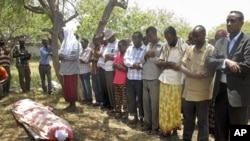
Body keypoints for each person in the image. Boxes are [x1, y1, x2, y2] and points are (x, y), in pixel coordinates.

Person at [205, 11, 250, 141]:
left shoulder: (247, 41)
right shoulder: (220, 42)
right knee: (220, 130)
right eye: (228, 20)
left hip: (239, 94)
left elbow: (247, 66)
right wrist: (227, 62)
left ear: (241, 23)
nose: (229, 23)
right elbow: (209, 62)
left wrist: (221, 65)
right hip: (220, 92)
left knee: (239, 131)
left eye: (233, 21)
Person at [180, 25, 214, 141]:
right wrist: (194, 74)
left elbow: (207, 73)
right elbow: (181, 66)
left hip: (202, 94)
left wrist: (188, 72)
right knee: (188, 120)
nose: (195, 38)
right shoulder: (190, 49)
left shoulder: (210, 50)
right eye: (193, 36)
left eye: (197, 36)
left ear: (204, 34)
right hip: (188, 92)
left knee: (202, 122)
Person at [158, 26, 188, 137]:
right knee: (164, 106)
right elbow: (159, 61)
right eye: (166, 38)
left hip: (176, 81)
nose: (168, 40)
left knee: (174, 107)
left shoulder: (184, 46)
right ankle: (165, 129)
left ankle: (174, 130)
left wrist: (168, 64)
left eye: (169, 38)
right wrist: (170, 64)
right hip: (164, 79)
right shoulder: (165, 46)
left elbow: (181, 65)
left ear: (175, 36)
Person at [141, 26, 164, 135]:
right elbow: (141, 60)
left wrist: (153, 57)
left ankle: (155, 127)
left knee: (154, 105)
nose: (149, 39)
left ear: (155, 33)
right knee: (146, 103)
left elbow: (162, 62)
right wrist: (146, 54)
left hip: (155, 78)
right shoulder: (148, 45)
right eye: (148, 37)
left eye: (151, 36)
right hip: (145, 77)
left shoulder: (162, 46)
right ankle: (147, 124)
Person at [208, 29, 227, 136]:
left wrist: (219, 63)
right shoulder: (215, 48)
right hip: (215, 84)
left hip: (232, 88)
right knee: (214, 109)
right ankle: (214, 130)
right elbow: (210, 62)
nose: (218, 39)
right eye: (216, 37)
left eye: (220, 37)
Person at [124, 31, 146, 124]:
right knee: (131, 98)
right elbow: (125, 59)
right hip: (130, 77)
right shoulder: (129, 48)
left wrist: (140, 66)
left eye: (136, 38)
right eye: (133, 38)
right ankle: (134, 116)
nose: (134, 40)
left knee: (140, 99)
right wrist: (133, 64)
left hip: (140, 78)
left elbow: (145, 62)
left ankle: (142, 118)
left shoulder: (145, 49)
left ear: (141, 39)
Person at [59, 27, 81, 112]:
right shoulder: (65, 43)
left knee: (72, 88)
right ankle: (70, 104)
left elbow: (74, 56)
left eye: (63, 33)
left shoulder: (75, 43)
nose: (62, 35)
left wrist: (64, 57)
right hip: (66, 70)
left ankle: (73, 105)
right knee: (67, 88)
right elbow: (60, 52)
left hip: (72, 70)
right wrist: (60, 55)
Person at [102, 29, 119, 111]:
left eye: (109, 38)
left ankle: (117, 106)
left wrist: (111, 57)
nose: (108, 40)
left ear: (113, 36)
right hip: (107, 68)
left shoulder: (118, 43)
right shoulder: (108, 44)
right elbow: (104, 54)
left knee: (114, 88)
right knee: (109, 88)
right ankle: (113, 106)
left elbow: (121, 56)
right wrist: (106, 57)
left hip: (114, 69)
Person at [112, 39, 128, 118]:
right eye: (118, 47)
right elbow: (113, 65)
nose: (119, 48)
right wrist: (116, 66)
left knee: (124, 98)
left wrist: (118, 66)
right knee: (117, 98)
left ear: (125, 46)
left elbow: (126, 69)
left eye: (121, 46)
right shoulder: (118, 55)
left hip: (123, 80)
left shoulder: (127, 55)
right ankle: (118, 111)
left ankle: (125, 113)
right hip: (116, 79)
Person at [90, 35, 104, 106]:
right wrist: (91, 59)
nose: (95, 41)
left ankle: (102, 101)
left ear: (99, 40)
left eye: (96, 40)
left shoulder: (101, 49)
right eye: (94, 40)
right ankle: (97, 100)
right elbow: (90, 58)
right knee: (95, 87)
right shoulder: (92, 49)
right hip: (93, 70)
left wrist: (94, 59)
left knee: (100, 87)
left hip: (99, 71)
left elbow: (102, 59)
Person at [79, 37, 92, 104]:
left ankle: (89, 99)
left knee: (87, 85)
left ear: (87, 42)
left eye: (83, 42)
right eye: (81, 42)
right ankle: (86, 98)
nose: (81, 44)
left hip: (86, 71)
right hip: (80, 70)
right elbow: (80, 60)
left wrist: (78, 58)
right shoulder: (80, 50)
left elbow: (85, 60)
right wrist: (80, 59)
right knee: (83, 86)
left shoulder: (89, 50)